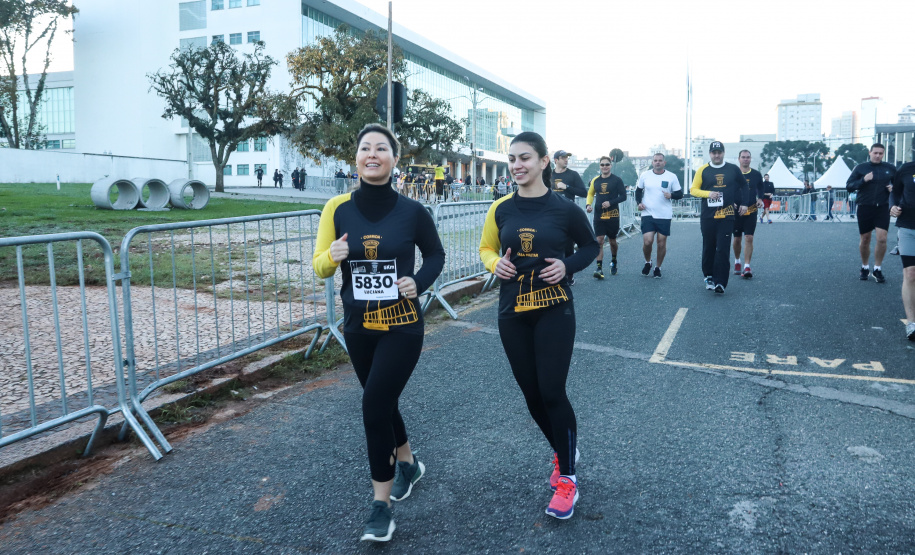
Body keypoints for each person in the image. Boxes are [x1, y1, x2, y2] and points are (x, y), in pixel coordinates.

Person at [313, 124, 445, 543]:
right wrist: (331, 256)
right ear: (356, 158)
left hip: (402, 325)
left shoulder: (412, 211)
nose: (372, 154)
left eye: (381, 148)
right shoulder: (336, 208)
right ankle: (409, 464)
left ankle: (380, 508)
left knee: (373, 405)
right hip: (358, 326)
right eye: (365, 148)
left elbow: (436, 254)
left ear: (394, 159)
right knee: (382, 401)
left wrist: (418, 282)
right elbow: (319, 265)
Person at [479, 131, 598, 520]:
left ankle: (568, 479)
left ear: (544, 162)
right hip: (512, 311)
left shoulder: (565, 210)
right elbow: (486, 248)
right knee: (531, 395)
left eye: (525, 158)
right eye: (512, 159)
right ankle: (565, 450)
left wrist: (567, 265)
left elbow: (590, 246)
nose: (517, 165)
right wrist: (494, 264)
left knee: (551, 391)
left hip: (554, 309)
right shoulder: (500, 208)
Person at [690, 141, 749, 293]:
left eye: (719, 152)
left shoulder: (733, 169)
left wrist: (744, 203)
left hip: (727, 215)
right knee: (709, 247)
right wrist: (708, 193)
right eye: (714, 153)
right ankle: (709, 276)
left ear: (723, 153)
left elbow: (744, 185)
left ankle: (721, 282)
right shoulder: (703, 170)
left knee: (723, 248)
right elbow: (693, 190)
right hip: (708, 216)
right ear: (710, 154)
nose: (717, 155)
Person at [846, 143, 896, 283]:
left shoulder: (890, 168)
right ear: (870, 152)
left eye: (881, 153)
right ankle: (865, 266)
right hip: (865, 207)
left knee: (882, 239)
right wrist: (863, 180)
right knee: (865, 239)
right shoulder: (861, 168)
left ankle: (877, 269)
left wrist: (893, 188)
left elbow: (899, 185)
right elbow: (849, 186)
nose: (878, 155)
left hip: (882, 208)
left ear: (883, 154)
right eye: (875, 153)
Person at [636, 152, 683, 279]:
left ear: (664, 162)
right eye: (655, 160)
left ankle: (658, 267)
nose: (657, 162)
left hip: (664, 214)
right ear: (652, 162)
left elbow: (680, 194)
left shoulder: (671, 176)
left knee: (661, 243)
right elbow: (638, 191)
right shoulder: (645, 175)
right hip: (648, 213)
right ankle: (648, 262)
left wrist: (671, 195)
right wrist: (639, 203)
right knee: (648, 241)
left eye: (660, 160)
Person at [551, 150, 588, 284]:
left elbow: (584, 192)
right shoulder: (548, 175)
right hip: (551, 215)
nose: (566, 160)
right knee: (551, 244)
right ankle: (553, 274)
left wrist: (566, 187)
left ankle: (569, 275)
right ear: (556, 160)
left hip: (567, 215)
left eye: (567, 157)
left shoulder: (573, 174)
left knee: (568, 247)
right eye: (563, 158)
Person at [586, 156, 626, 278]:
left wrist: (611, 202)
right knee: (599, 240)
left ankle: (614, 260)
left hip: (613, 215)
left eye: (607, 164)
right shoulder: (595, 180)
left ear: (611, 166)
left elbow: (623, 196)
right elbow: (590, 194)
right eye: (602, 165)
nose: (605, 167)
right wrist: (588, 205)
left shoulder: (617, 180)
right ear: (600, 166)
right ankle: (599, 268)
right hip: (599, 215)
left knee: (612, 241)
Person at [890, 159, 915, 340]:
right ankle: (912, 323)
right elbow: (895, 192)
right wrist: (892, 206)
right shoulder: (906, 169)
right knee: (910, 273)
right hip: (907, 226)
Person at [732, 150, 764, 279]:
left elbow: (761, 187)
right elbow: (727, 189)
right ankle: (737, 261)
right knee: (737, 239)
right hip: (736, 211)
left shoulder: (756, 174)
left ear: (751, 159)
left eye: (748, 157)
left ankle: (747, 266)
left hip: (751, 209)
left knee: (749, 237)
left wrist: (760, 198)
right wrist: (731, 201)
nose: (745, 159)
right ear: (739, 159)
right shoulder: (733, 174)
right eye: (743, 157)